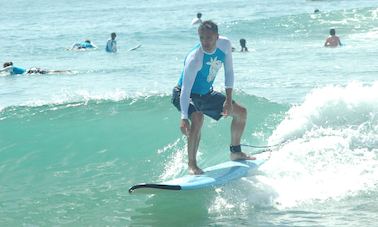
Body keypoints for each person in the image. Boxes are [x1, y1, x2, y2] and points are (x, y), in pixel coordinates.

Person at [171, 20, 254, 175]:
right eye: (201, 38)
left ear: (217, 36)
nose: (205, 42)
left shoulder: (225, 45)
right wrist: (183, 117)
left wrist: (228, 101)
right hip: (183, 93)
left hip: (206, 93)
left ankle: (235, 152)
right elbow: (185, 90)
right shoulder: (194, 59)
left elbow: (229, 71)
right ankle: (192, 165)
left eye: (208, 38)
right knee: (197, 117)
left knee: (241, 112)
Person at [1, 62, 71, 75]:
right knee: (50, 72)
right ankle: (66, 71)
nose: (5, 70)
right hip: (32, 71)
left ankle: (66, 71)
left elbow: (1, 71)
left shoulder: (11, 67)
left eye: (5, 68)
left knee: (51, 72)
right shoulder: (11, 71)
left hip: (32, 71)